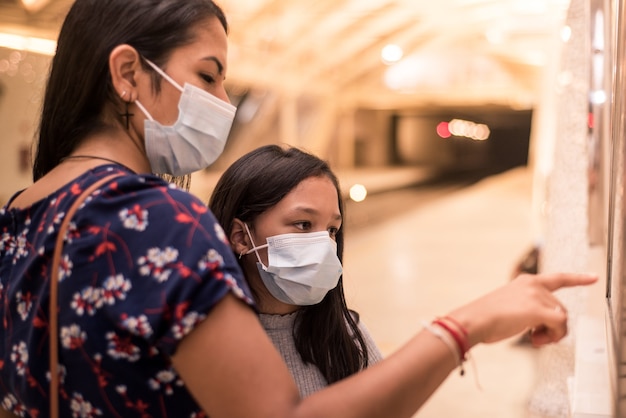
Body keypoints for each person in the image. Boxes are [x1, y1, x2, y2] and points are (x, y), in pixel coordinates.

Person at [0, 0, 597, 417]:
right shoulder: (158, 220)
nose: (224, 102)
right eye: (208, 77)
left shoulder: (23, 216)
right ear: (128, 72)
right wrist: (465, 326)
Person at [208, 145, 383, 397]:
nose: (324, 246)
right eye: (303, 224)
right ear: (241, 237)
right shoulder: (203, 341)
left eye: (332, 230)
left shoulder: (343, 332)